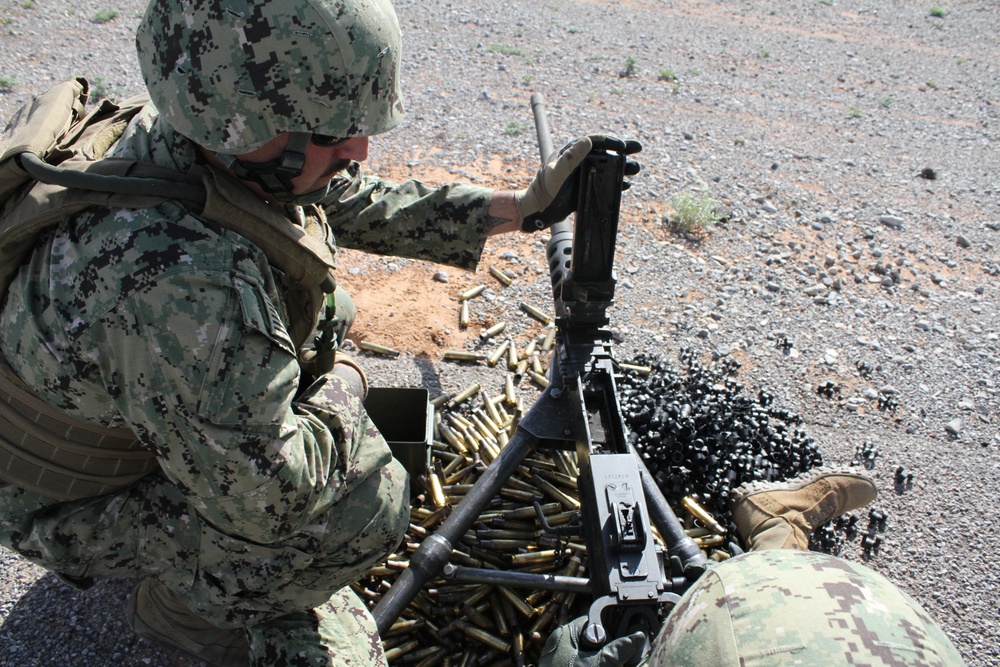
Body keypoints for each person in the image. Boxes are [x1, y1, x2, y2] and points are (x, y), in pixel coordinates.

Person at [0, 0, 636, 665]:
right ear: (243, 124)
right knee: (369, 500)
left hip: (138, 415)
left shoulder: (203, 135)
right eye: (330, 134)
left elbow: (341, 198)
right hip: (68, 505)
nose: (356, 150)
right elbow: (272, 498)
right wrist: (339, 403)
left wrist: (520, 208)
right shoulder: (181, 286)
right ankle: (189, 610)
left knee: (333, 346)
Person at [540, 467, 968, 666]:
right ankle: (777, 525)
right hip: (871, 630)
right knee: (791, 592)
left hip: (734, 633)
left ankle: (777, 536)